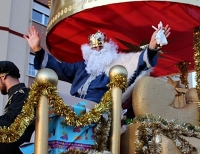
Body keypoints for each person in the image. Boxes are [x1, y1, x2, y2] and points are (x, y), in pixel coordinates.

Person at [23, 25, 171, 104]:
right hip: (73, 106)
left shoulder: (118, 64)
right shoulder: (82, 67)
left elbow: (138, 64)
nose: (97, 50)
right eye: (94, 48)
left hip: (99, 109)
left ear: (108, 47)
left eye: (101, 47)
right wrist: (37, 49)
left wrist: (152, 47)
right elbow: (59, 69)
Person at [0, 61, 35, 154]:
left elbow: (12, 121)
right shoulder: (16, 95)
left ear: (3, 76)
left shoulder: (23, 93)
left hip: (20, 148)